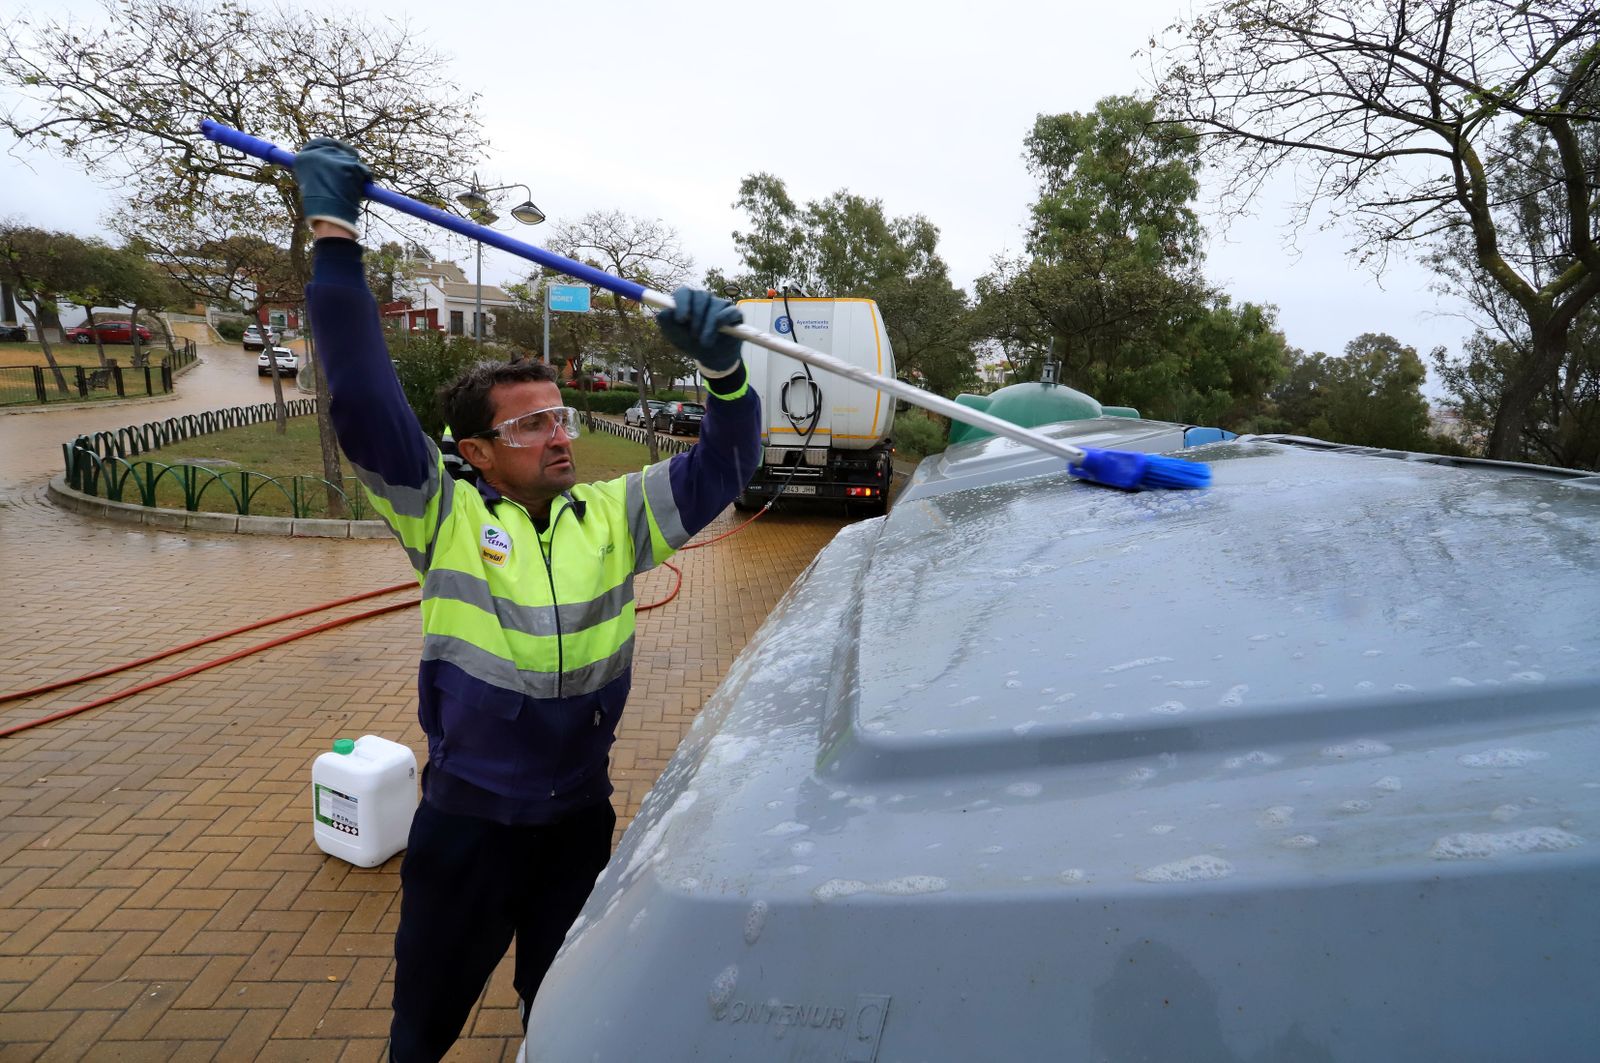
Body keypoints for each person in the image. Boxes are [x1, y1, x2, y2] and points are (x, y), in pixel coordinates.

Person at [292, 137, 762, 1062]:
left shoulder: (613, 517)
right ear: (476, 450)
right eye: (530, 423)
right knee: (422, 1027)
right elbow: (363, 403)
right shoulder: (443, 513)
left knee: (564, 1019)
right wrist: (335, 239)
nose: (559, 435)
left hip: (577, 821)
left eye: (562, 415)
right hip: (466, 825)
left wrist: (725, 375)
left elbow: (725, 464)